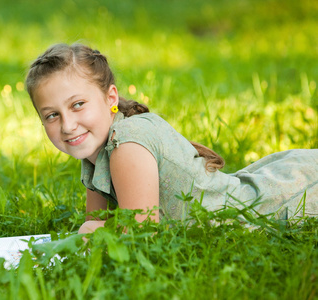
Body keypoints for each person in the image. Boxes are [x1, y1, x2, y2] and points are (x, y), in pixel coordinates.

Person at [25, 43, 318, 234]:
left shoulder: (126, 145)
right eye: (52, 115)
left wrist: (91, 234)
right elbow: (96, 222)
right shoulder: (93, 151)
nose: (68, 125)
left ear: (110, 97)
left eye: (78, 105)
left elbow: (141, 236)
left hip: (274, 207)